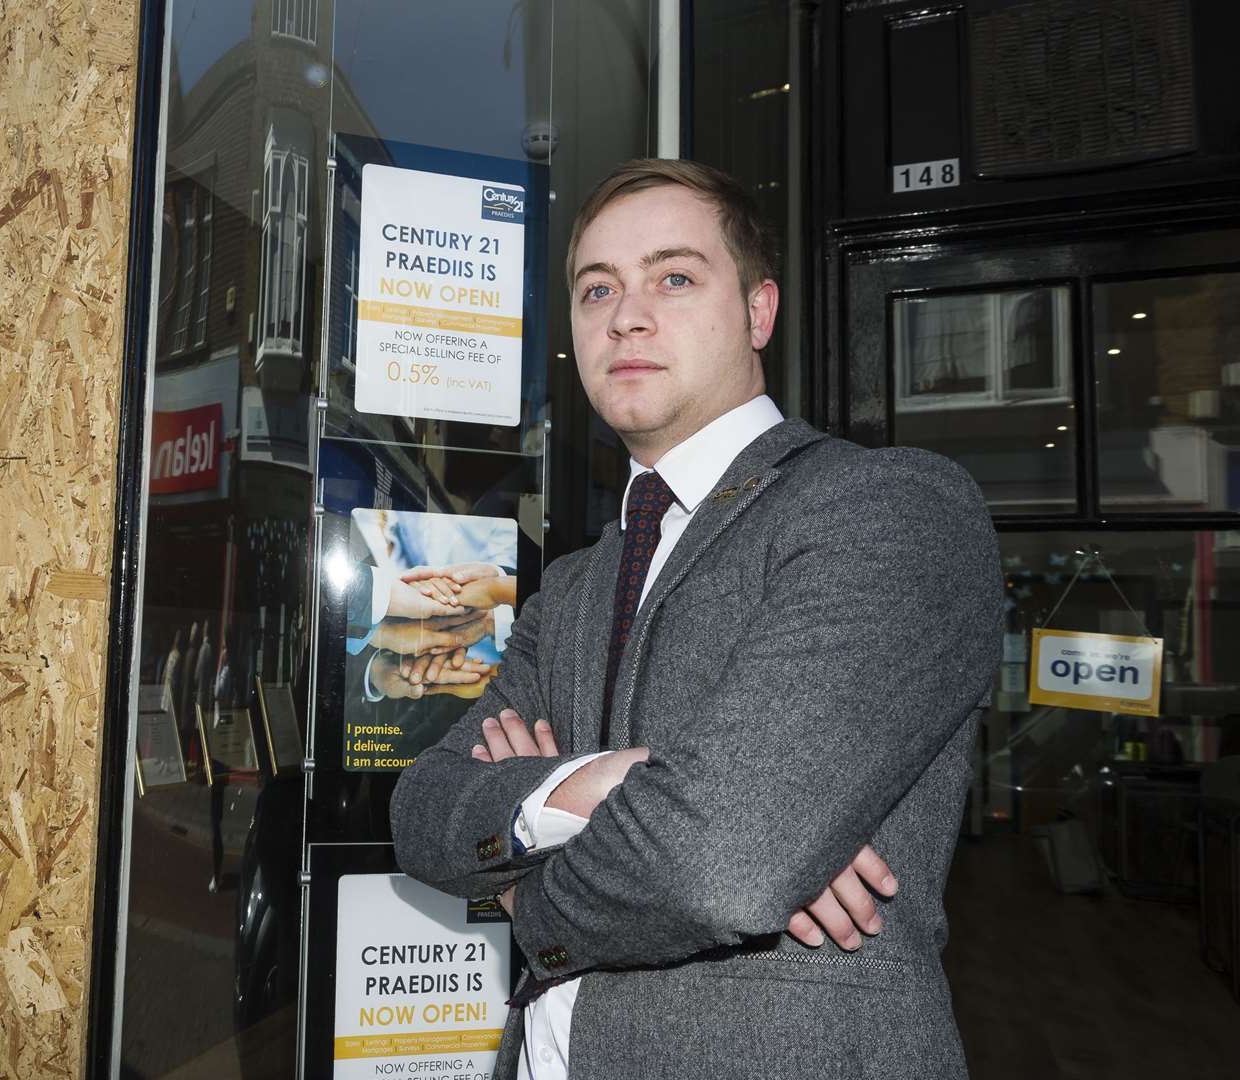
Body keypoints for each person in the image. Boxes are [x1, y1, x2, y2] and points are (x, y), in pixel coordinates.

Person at [390, 159, 1000, 1080]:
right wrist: (604, 785)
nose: (626, 314)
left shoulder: (887, 508)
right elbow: (423, 811)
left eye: (674, 277)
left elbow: (719, 863)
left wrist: (527, 891)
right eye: (599, 288)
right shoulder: (573, 587)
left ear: (759, 311)